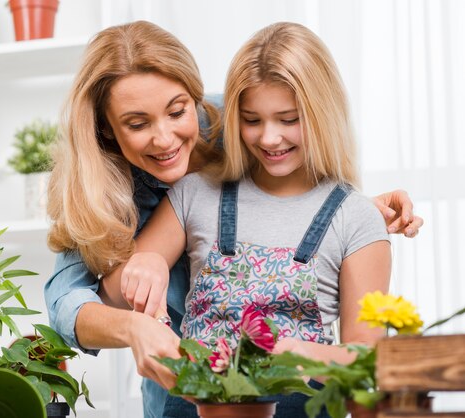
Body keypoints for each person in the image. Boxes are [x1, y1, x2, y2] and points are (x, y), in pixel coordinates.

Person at [44, 21, 422, 418]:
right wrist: (147, 261)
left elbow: (366, 363)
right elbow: (97, 295)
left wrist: (293, 352)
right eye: (253, 121)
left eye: (177, 111)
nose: (268, 137)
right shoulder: (193, 193)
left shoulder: (352, 214)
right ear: (107, 129)